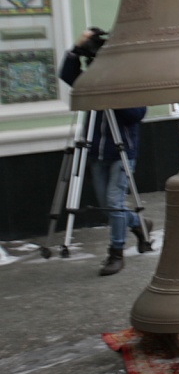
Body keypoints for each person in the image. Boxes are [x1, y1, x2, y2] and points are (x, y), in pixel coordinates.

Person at [60, 28, 151, 276]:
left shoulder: (128, 79)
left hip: (122, 151)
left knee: (113, 202)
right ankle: (139, 224)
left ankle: (116, 253)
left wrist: (110, 94)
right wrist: (78, 49)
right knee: (109, 206)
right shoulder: (92, 80)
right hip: (96, 151)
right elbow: (67, 75)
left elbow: (137, 114)